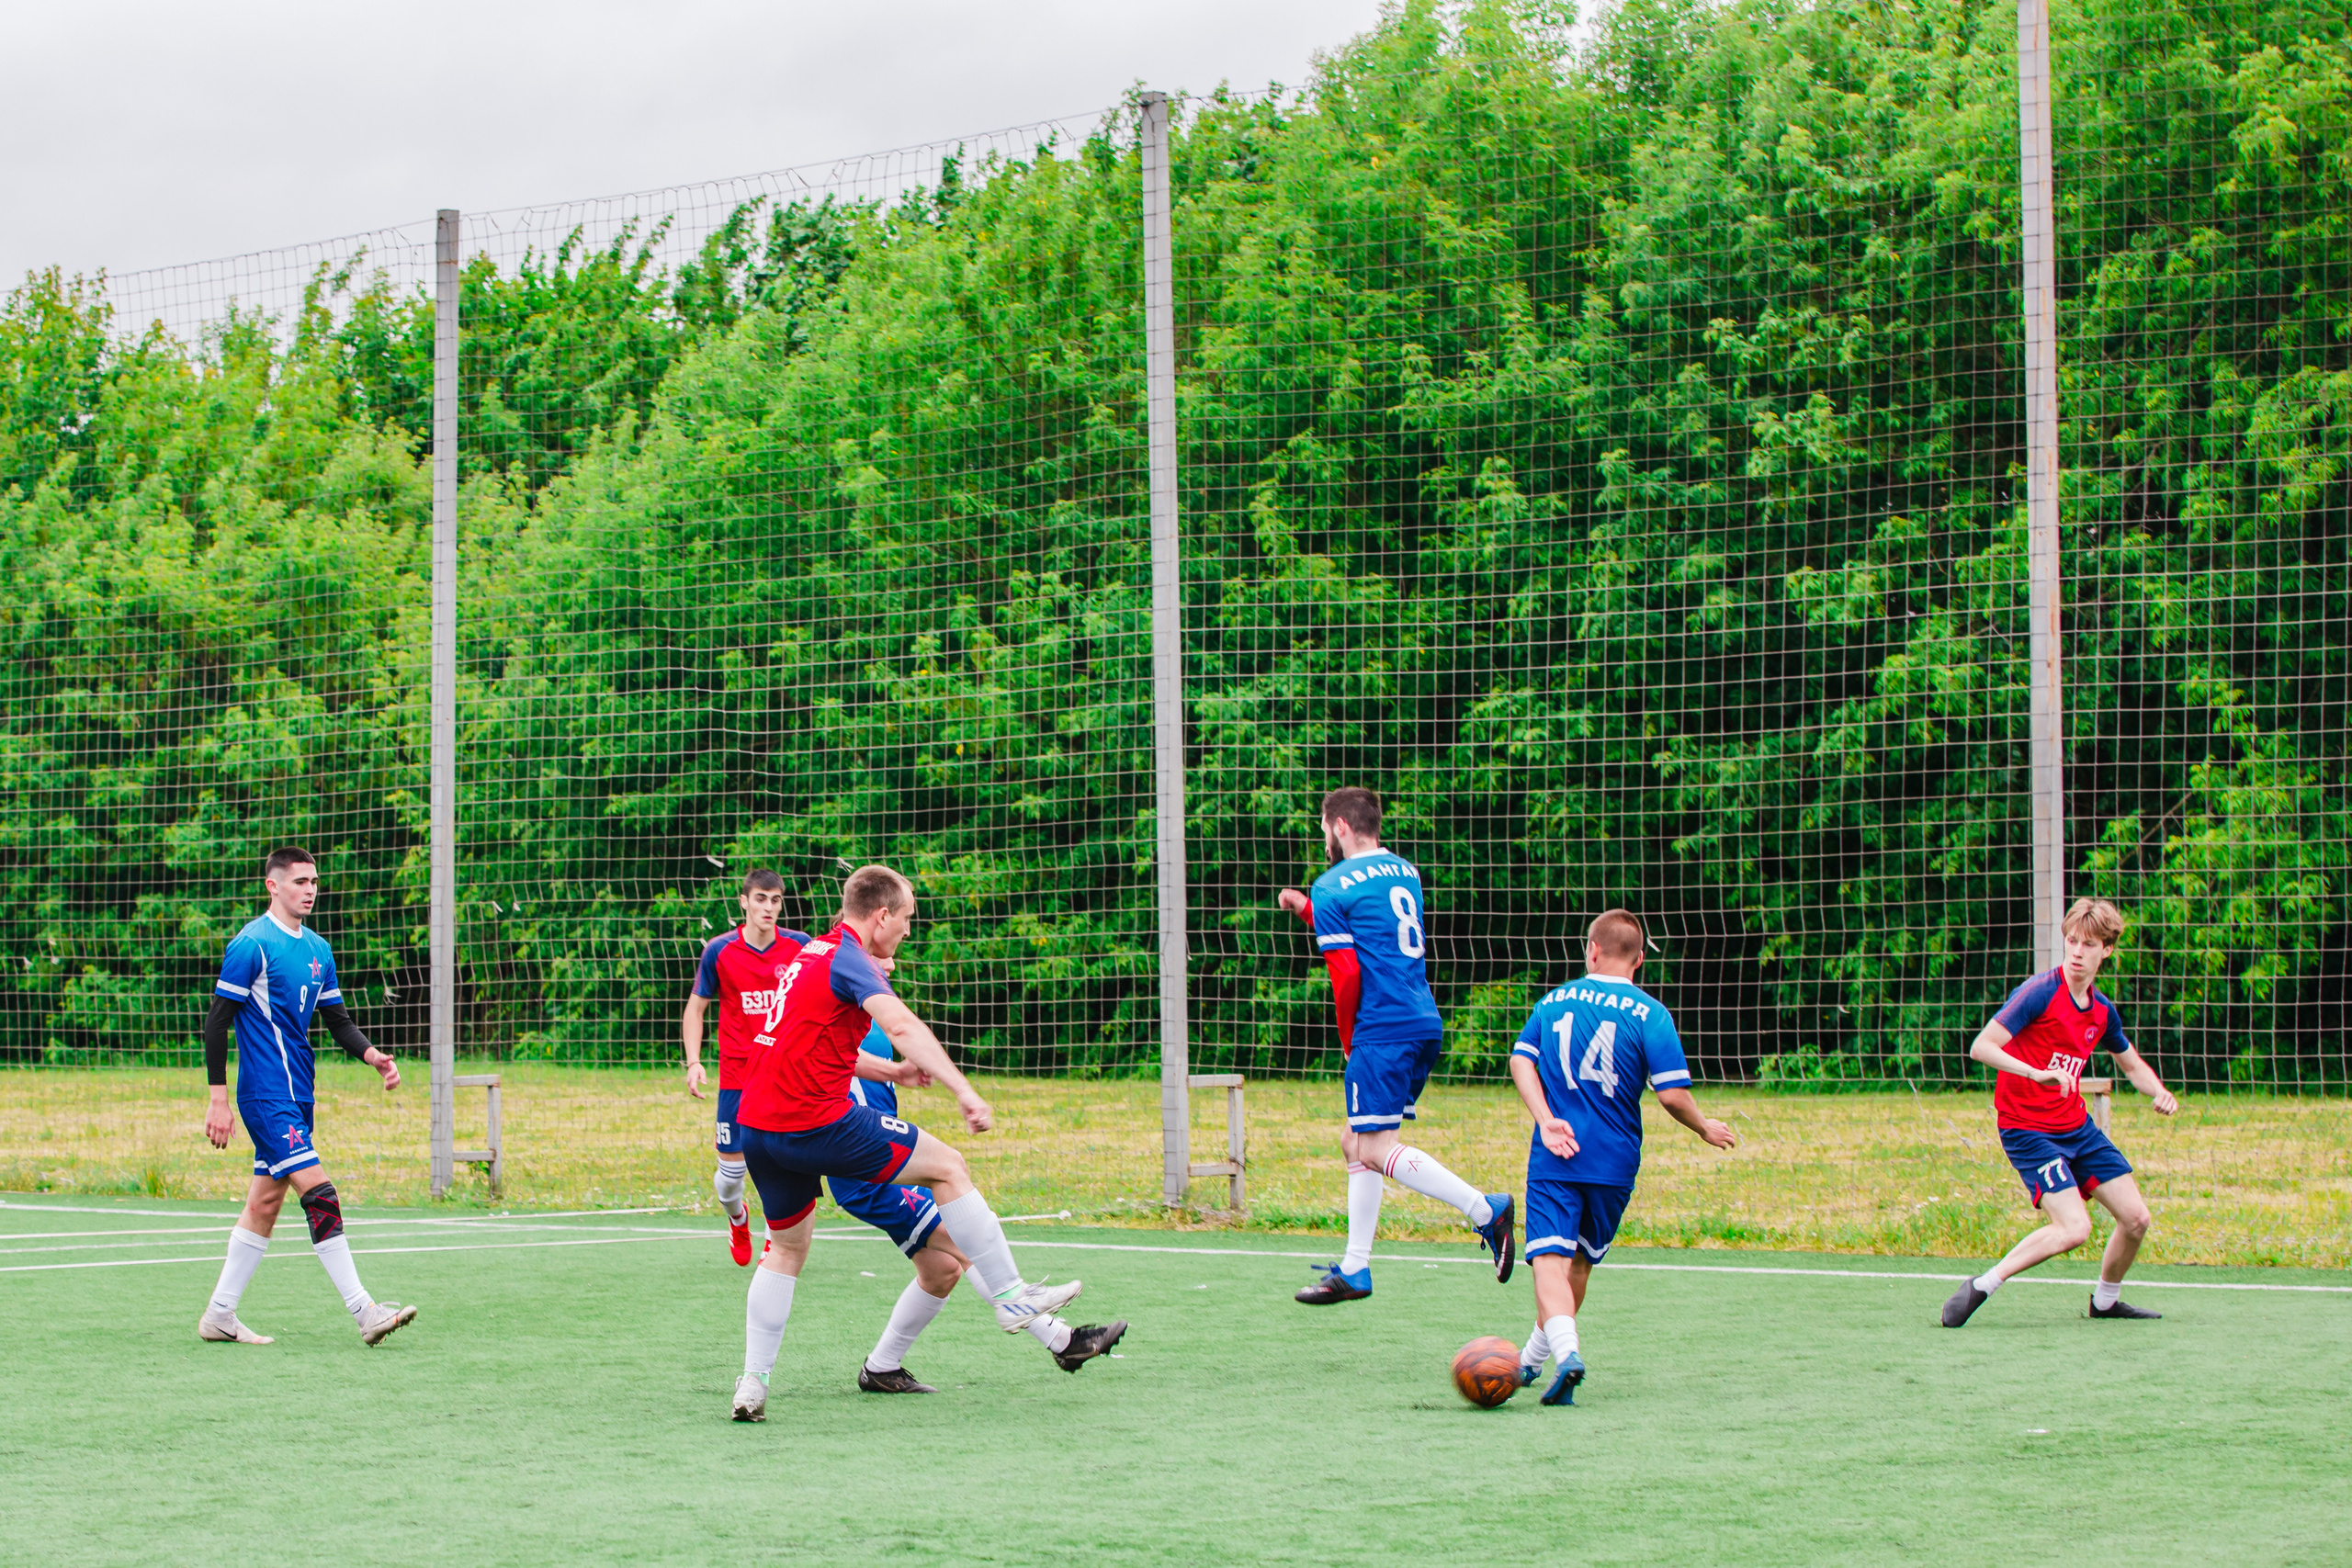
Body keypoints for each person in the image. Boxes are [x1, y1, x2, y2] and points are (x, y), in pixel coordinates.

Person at [726, 864, 1125, 1420]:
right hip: (816, 1124)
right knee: (950, 1167)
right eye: (908, 919)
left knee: (787, 1250)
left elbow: (812, 1047)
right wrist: (966, 1093)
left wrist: (891, 1075)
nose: (909, 931)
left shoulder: (808, 954)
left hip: (760, 1127)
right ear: (882, 916)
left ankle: (752, 1385)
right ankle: (1014, 1300)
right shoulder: (849, 957)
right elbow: (904, 1026)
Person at [1276, 787, 1514, 1305]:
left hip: (1380, 1030)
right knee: (1353, 1140)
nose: (1324, 839)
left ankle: (1485, 1209)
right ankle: (1355, 1267)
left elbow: (1346, 972)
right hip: (1420, 1019)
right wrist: (1308, 910)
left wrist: (1348, 1041)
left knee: (1374, 1148)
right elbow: (1375, 928)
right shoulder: (1403, 871)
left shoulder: (1333, 884)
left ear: (1339, 827)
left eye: (1323, 829)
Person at [1505, 908, 1736, 1404]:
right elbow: (1672, 1095)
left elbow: (1521, 1059)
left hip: (1558, 1152)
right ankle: (1531, 1361)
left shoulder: (1553, 1001)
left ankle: (1566, 1356)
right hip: (1615, 1162)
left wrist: (1545, 1118)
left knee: (1549, 1261)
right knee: (1580, 1267)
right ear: (1638, 962)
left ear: (1591, 950)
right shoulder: (1651, 1013)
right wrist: (1703, 1128)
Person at [197, 847, 416, 1348]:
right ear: (273, 886)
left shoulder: (319, 949)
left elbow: (337, 1021)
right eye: (299, 881)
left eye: (314, 881)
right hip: (265, 1096)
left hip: (299, 1096)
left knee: (265, 1204)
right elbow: (216, 1022)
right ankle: (365, 1311)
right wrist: (217, 1098)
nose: (310, 889)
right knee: (320, 1194)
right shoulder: (251, 944)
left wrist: (372, 1056)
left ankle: (220, 1315)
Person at [1942, 897, 2178, 1328]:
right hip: (2027, 1129)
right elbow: (1982, 1046)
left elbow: (2129, 1063)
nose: (2076, 951)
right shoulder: (2038, 993)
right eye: (2071, 941)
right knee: (2075, 1228)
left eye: (2088, 944)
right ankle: (1982, 1285)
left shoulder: (2102, 1011)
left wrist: (2159, 1091)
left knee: (2136, 1219)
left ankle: (2105, 1302)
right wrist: (2036, 1073)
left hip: (2076, 1128)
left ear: (2106, 950)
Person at [829, 1010, 1077, 1393]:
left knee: (941, 1271)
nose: (892, 964)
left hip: (886, 1161)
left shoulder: (870, 1010)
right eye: (884, 954)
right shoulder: (829, 1008)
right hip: (865, 1172)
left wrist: (909, 1074)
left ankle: (881, 1368)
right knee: (964, 1241)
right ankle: (1062, 1341)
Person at [683, 869, 811, 1265]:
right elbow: (696, 1009)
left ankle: (776, 1239)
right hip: (738, 1080)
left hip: (786, 1077)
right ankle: (738, 1220)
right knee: (730, 1181)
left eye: (775, 900)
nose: (768, 908)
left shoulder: (800, 946)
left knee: (785, 1163)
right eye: (760, 899)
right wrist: (693, 1062)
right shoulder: (719, 951)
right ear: (744, 902)